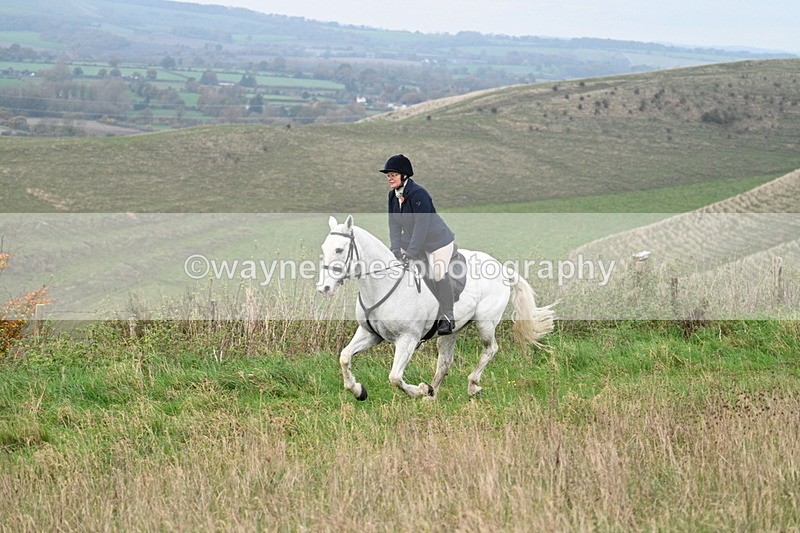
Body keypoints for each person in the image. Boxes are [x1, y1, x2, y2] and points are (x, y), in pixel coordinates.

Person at [380, 154, 456, 335]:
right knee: (396, 266)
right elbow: (394, 224)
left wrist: (411, 252)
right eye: (388, 175)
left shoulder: (418, 194)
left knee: (437, 273)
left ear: (404, 175)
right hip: (415, 238)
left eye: (393, 174)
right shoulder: (392, 196)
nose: (389, 178)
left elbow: (422, 227)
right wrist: (395, 249)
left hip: (438, 241)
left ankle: (447, 317)